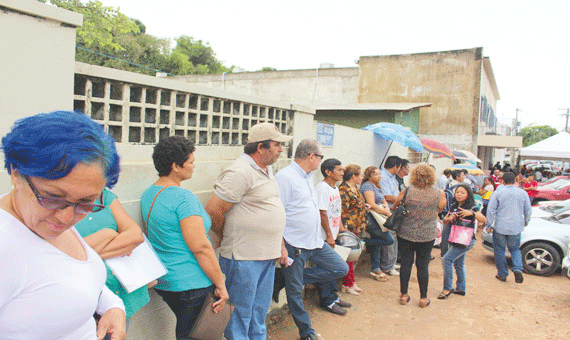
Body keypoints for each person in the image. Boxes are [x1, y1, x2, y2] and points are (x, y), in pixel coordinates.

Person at [0, 111, 126, 340]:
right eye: (52, 197)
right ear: (16, 173)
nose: (67, 218)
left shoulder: (42, 220)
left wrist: (113, 306)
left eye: (86, 203)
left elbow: (69, 277)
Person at [205, 122, 291, 339]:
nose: (281, 149)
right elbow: (214, 210)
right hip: (243, 258)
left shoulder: (266, 169)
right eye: (276, 145)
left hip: (265, 256)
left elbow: (272, 210)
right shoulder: (240, 171)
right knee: (239, 313)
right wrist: (223, 235)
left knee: (258, 312)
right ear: (260, 148)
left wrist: (280, 246)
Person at [141, 136, 229, 340]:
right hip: (191, 283)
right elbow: (201, 247)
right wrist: (220, 284)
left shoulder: (150, 193)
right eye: (191, 161)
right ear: (176, 166)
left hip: (166, 280)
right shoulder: (183, 198)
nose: (194, 166)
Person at [276, 139, 349, 340]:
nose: (320, 162)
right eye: (320, 157)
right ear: (311, 157)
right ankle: (306, 332)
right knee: (295, 293)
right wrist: (281, 246)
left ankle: (286, 278)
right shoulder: (285, 177)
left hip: (314, 241)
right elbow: (277, 213)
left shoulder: (308, 176)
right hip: (294, 243)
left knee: (339, 268)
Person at [75, 188, 150, 335]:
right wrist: (108, 234)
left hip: (119, 293)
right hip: (84, 298)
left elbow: (135, 236)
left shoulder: (105, 196)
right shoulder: (60, 203)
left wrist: (90, 254)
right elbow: (66, 256)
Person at [393, 164, 446, 308]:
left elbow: (395, 206)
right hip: (427, 234)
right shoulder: (439, 193)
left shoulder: (407, 190)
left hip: (406, 232)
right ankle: (423, 298)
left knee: (406, 263)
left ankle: (404, 295)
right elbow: (440, 209)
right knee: (423, 266)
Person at [315, 158, 352, 315]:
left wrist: (341, 230)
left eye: (342, 170)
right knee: (328, 268)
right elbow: (322, 212)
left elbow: (336, 211)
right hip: (323, 237)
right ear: (328, 172)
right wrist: (329, 235)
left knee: (332, 267)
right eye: (339, 170)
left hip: (333, 235)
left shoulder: (335, 188)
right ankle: (328, 301)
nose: (342, 173)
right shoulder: (322, 188)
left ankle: (333, 297)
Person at [438, 184, 486, 299]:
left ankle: (447, 288)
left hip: (465, 240)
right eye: (457, 192)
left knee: (447, 259)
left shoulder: (472, 207)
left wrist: (472, 214)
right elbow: (445, 220)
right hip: (455, 238)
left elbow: (483, 219)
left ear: (468, 195)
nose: (459, 195)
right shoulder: (453, 206)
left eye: (462, 193)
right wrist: (449, 219)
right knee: (459, 263)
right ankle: (460, 288)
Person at [486, 172, 532, 283]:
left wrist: (489, 224)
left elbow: (491, 210)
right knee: (515, 249)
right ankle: (517, 269)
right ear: (515, 181)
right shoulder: (523, 193)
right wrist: (526, 220)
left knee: (499, 250)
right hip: (516, 226)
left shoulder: (498, 193)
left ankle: (502, 274)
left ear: (503, 181)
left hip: (500, 226)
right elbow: (528, 209)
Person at [360, 166, 393, 281]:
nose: (379, 176)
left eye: (379, 174)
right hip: (371, 218)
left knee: (377, 245)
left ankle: (376, 268)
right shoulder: (367, 186)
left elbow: (383, 199)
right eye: (376, 174)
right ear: (369, 176)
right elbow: (372, 204)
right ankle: (363, 242)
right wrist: (385, 212)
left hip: (379, 216)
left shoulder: (376, 186)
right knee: (388, 239)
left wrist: (386, 209)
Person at [339, 164, 368, 295]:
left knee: (353, 255)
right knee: (349, 256)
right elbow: (343, 211)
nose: (362, 177)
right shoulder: (343, 190)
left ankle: (351, 281)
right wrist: (344, 229)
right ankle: (347, 283)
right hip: (348, 227)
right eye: (360, 175)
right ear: (353, 176)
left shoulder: (355, 188)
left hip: (357, 225)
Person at [380, 155, 402, 276]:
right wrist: (402, 199)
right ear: (396, 166)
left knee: (394, 237)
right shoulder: (383, 177)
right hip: (387, 210)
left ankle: (391, 263)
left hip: (394, 209)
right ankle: (387, 266)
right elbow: (387, 196)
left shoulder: (392, 177)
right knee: (390, 238)